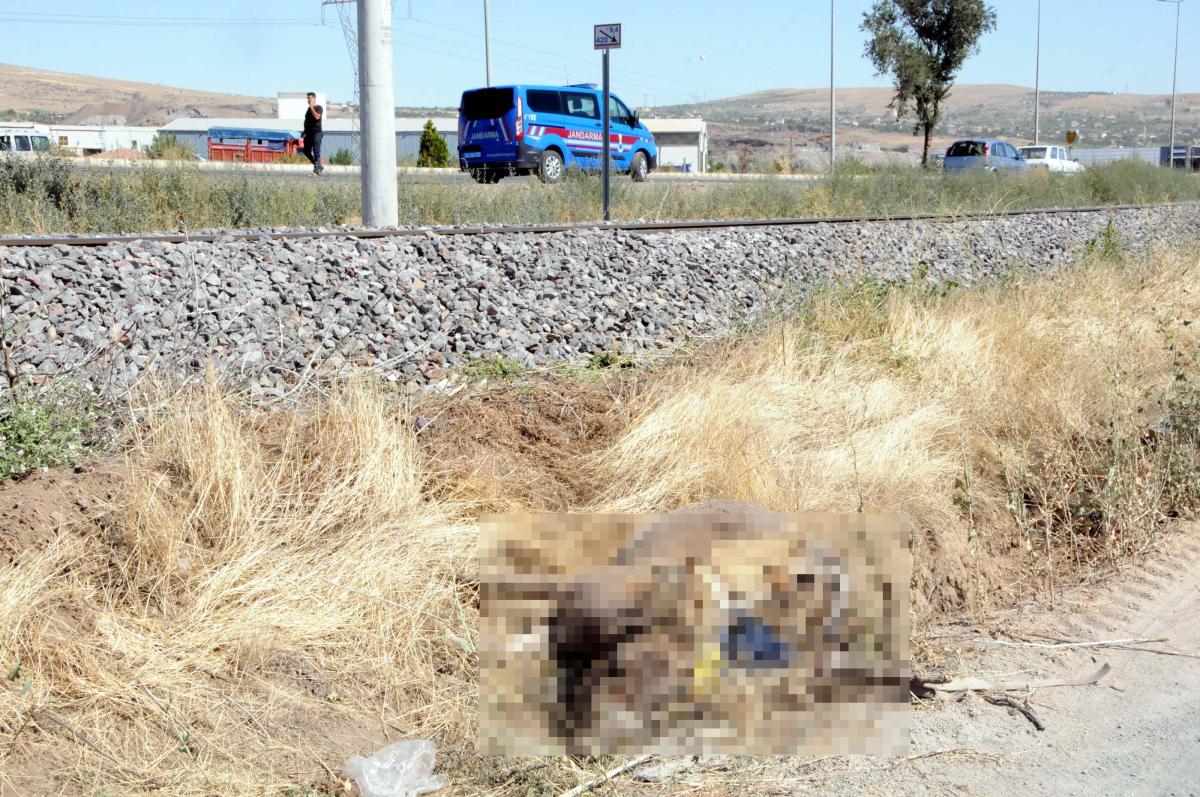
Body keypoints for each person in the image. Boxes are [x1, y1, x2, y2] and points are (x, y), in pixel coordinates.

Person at [302, 92, 324, 175]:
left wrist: (311, 107)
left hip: (317, 133)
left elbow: (317, 117)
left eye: (309, 98)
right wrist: (304, 131)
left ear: (314, 99)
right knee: (306, 151)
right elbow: (307, 121)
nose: (308, 100)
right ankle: (319, 166)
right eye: (307, 98)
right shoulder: (308, 109)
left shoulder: (319, 108)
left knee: (316, 151)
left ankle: (317, 169)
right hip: (308, 133)